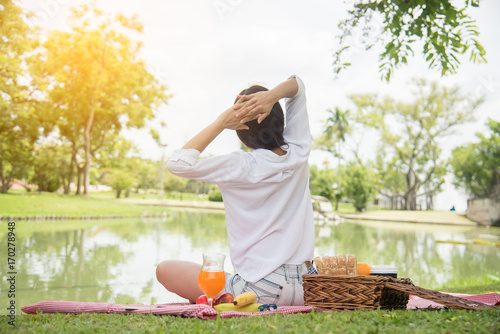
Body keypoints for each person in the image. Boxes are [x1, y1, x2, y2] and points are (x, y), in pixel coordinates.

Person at [156, 75, 315, 306]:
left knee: (165, 269)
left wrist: (221, 122)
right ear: (280, 121)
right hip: (306, 287)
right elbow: (298, 85)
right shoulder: (299, 152)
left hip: (260, 291)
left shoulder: (239, 165)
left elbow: (177, 163)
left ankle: (233, 293)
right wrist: (271, 97)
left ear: (241, 131)